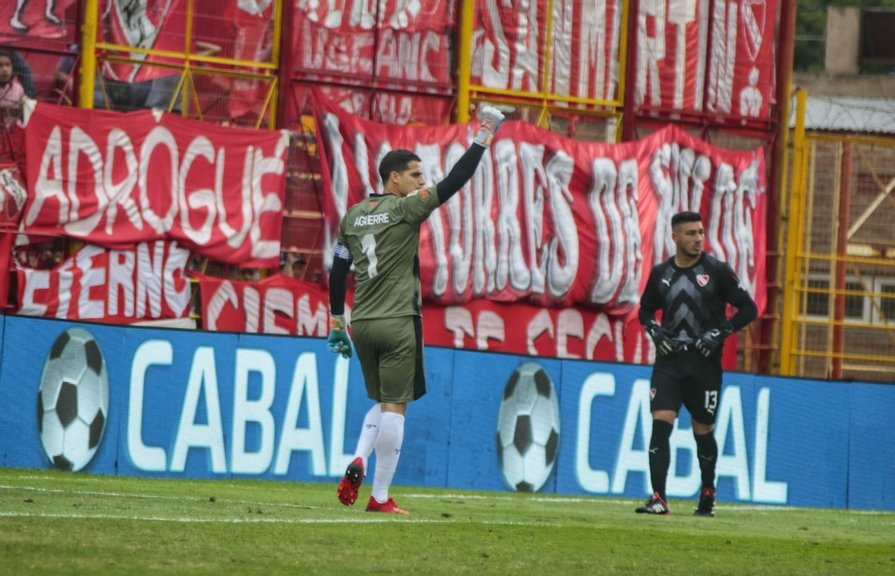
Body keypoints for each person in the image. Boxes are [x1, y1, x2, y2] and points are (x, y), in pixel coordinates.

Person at [328, 105, 505, 515]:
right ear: (394, 178)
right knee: (396, 407)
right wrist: (485, 134)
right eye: (415, 175)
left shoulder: (352, 217)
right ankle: (380, 497)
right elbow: (456, 180)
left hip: (363, 324)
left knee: (382, 400)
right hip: (398, 322)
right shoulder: (406, 208)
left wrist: (337, 322)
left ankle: (359, 456)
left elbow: (337, 272)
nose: (422, 182)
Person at [636, 210, 757, 517]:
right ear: (675, 237)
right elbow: (645, 310)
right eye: (691, 233)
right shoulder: (661, 273)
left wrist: (721, 332)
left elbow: (748, 308)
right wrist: (655, 332)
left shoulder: (717, 271)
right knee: (661, 420)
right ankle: (659, 497)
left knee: (702, 428)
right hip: (669, 361)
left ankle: (708, 491)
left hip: (704, 363)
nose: (698, 239)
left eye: (701, 232)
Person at [0, 49, 26, 124]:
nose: (5, 69)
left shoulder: (18, 89)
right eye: (0, 65)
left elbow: (23, 114)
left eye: (8, 65)